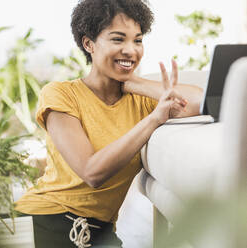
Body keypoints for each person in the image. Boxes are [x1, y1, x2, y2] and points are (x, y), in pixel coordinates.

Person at [15, 0, 203, 247]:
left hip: (100, 232)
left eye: (137, 40)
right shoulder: (60, 94)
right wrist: (154, 119)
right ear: (88, 43)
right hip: (45, 220)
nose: (131, 50)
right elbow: (92, 172)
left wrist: (135, 83)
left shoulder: (141, 100)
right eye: (118, 39)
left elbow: (201, 100)